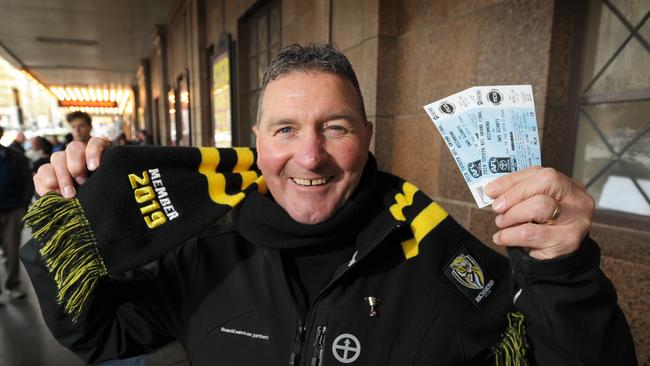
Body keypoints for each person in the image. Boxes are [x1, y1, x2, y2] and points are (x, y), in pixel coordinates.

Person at [22, 44, 636, 365]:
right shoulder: (204, 248)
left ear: (367, 138)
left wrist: (565, 271)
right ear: (257, 143)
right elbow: (98, 335)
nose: (310, 157)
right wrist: (61, 222)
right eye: (285, 130)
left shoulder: (440, 258)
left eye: (335, 128)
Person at [0, 126, 34, 301]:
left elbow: (28, 181)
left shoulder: (14, 157)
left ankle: (12, 285)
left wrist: (23, 206)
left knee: (12, 251)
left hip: (12, 210)